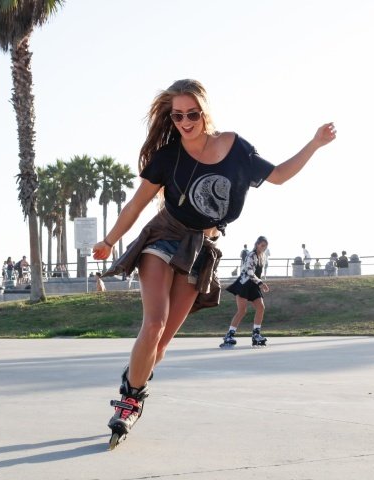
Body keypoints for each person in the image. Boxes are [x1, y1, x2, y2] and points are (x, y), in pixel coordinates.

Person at [91, 79, 336, 446]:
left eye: (192, 114)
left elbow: (279, 176)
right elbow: (136, 204)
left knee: (162, 343)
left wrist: (314, 144)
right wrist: (109, 240)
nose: (185, 122)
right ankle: (130, 402)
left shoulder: (235, 148)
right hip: (163, 236)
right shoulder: (169, 156)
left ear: (204, 112)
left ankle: (134, 379)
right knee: (154, 324)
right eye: (178, 116)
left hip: (200, 249)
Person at [221, 236, 271, 347]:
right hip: (244, 284)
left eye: (265, 246)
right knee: (242, 311)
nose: (263, 248)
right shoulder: (251, 255)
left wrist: (259, 283)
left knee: (261, 307)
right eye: (262, 245)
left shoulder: (262, 256)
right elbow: (249, 272)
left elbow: (258, 273)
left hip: (254, 286)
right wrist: (261, 283)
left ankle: (256, 335)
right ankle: (229, 336)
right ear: (257, 244)